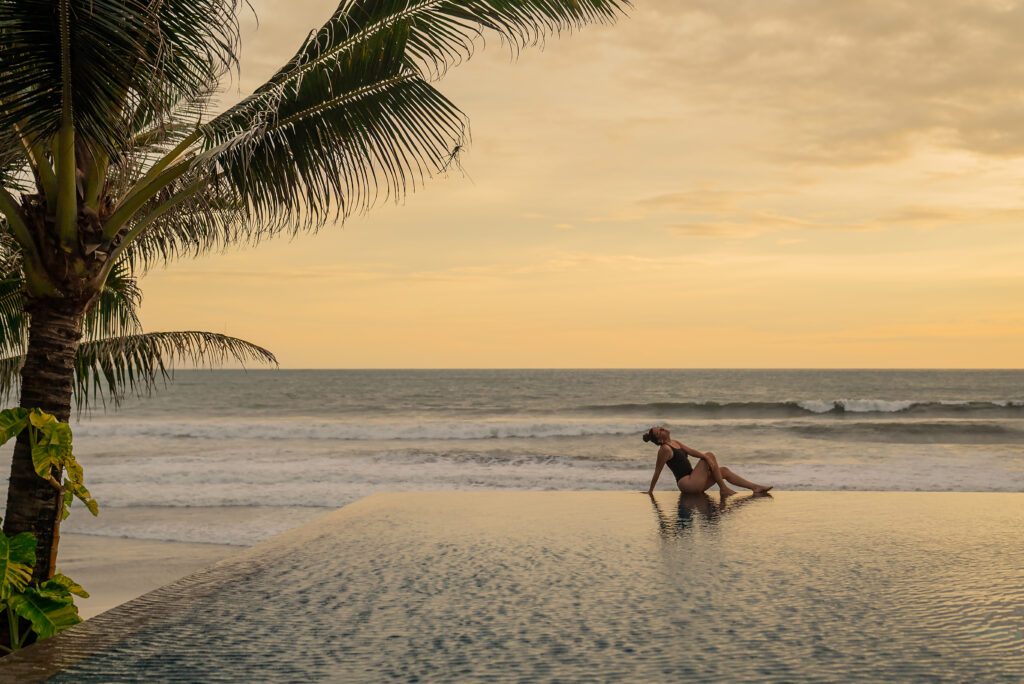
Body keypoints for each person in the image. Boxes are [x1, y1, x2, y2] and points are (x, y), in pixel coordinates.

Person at [642, 426, 771, 496]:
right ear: (660, 440)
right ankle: (723, 488)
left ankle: (755, 487)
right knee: (708, 455)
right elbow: (657, 471)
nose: (662, 428)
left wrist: (706, 457)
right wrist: (650, 491)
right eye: (660, 431)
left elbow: (692, 451)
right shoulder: (664, 449)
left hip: (693, 480)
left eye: (660, 427)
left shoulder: (675, 442)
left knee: (724, 471)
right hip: (687, 483)